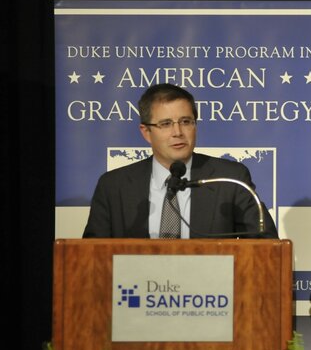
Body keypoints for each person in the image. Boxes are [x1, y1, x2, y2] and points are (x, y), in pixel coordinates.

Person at [83, 83, 278, 239]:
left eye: (186, 122)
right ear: (146, 132)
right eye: (166, 124)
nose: (178, 133)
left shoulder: (229, 179)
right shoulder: (113, 186)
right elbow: (91, 258)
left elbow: (265, 245)